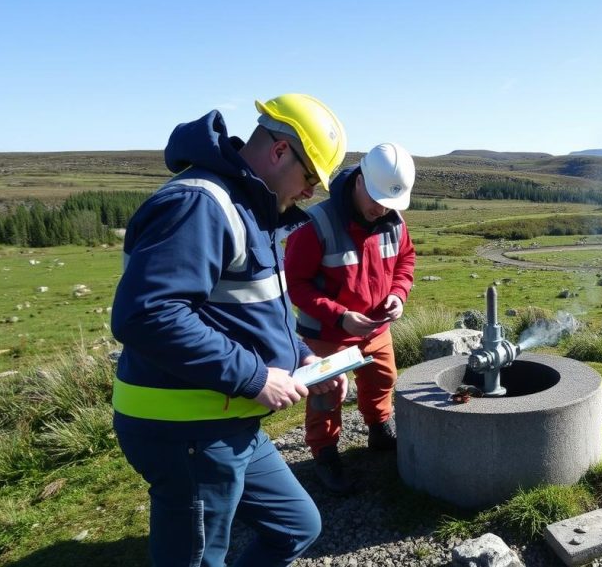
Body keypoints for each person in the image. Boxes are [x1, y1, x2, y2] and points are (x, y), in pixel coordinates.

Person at [111, 94, 349, 566]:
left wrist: (301, 356)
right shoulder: (201, 203)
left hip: (229, 417)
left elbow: (248, 310)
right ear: (281, 152)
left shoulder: (251, 207)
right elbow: (148, 314)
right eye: (308, 179)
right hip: (185, 429)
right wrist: (257, 377)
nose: (309, 194)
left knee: (296, 526)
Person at [284, 142, 416, 494]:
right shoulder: (314, 225)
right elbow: (295, 284)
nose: (380, 209)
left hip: (375, 326)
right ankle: (325, 453)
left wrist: (397, 296)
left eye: (389, 203)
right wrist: (341, 317)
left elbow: (405, 262)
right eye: (375, 199)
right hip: (328, 332)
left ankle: (378, 428)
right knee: (327, 395)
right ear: (359, 180)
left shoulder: (393, 220)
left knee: (382, 378)